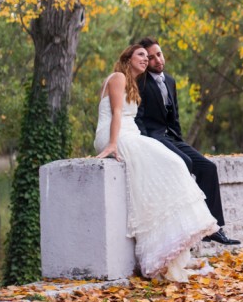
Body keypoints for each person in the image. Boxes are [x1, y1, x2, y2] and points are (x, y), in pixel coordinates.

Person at [94, 44, 220, 282]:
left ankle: (170, 242)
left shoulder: (133, 83)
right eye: (141, 55)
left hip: (129, 134)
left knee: (170, 165)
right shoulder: (118, 77)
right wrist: (111, 144)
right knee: (171, 163)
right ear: (127, 58)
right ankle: (161, 245)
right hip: (116, 135)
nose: (146, 59)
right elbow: (117, 113)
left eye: (148, 56)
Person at [135, 37, 240, 246]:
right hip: (154, 138)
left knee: (208, 168)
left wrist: (181, 141)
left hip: (171, 137)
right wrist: (147, 145)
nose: (157, 60)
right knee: (185, 164)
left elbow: (174, 118)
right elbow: (139, 117)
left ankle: (214, 228)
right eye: (151, 57)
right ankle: (185, 232)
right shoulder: (140, 82)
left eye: (159, 54)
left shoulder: (170, 81)